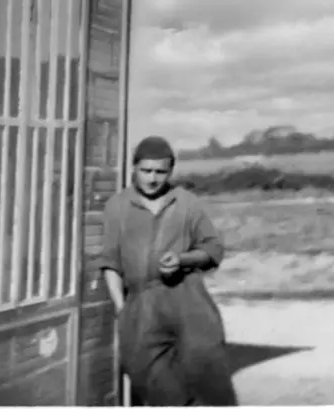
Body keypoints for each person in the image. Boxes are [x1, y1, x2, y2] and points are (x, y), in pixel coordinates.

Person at [99, 135, 237, 406]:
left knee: (210, 380)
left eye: (160, 172)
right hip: (141, 303)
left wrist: (184, 259)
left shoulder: (186, 202)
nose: (152, 179)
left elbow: (213, 249)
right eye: (146, 171)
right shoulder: (117, 206)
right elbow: (110, 263)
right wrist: (122, 309)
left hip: (188, 299)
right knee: (154, 383)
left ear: (170, 171)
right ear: (134, 168)